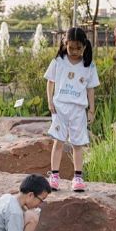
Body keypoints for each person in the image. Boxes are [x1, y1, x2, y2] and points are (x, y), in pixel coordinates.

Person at [45, 27, 100, 192]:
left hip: (78, 110)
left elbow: (90, 89)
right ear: (65, 43)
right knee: (59, 141)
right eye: (71, 47)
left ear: (84, 46)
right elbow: (50, 82)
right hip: (60, 107)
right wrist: (50, 101)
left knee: (78, 144)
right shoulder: (58, 62)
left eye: (78, 48)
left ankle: (77, 177)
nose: (75, 51)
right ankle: (54, 176)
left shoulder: (88, 66)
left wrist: (91, 110)